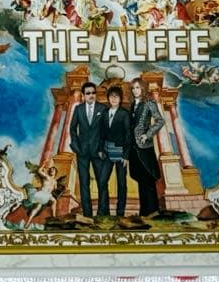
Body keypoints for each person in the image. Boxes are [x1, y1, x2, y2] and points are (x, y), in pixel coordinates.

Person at [68, 81, 108, 218]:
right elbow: (72, 129)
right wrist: (76, 146)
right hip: (82, 152)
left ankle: (102, 213)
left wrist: (103, 149)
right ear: (84, 95)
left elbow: (106, 130)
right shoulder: (78, 109)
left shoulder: (103, 108)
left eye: (93, 93)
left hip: (99, 151)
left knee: (102, 182)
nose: (91, 95)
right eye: (88, 93)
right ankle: (87, 215)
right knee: (84, 183)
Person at [129, 78, 164, 216]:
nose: (135, 90)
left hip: (145, 146)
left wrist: (147, 135)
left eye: (137, 87)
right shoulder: (132, 105)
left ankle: (153, 210)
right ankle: (144, 212)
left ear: (142, 88)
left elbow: (160, 121)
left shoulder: (150, 103)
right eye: (133, 88)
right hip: (134, 147)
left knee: (148, 177)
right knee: (140, 178)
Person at [97, 85, 131, 217]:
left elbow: (128, 135)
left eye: (116, 96)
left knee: (121, 183)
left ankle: (120, 212)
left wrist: (126, 155)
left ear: (120, 99)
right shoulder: (105, 113)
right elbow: (101, 133)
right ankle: (103, 210)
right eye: (111, 96)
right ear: (108, 98)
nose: (114, 99)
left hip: (121, 152)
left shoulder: (124, 114)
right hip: (106, 151)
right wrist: (100, 149)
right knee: (102, 181)